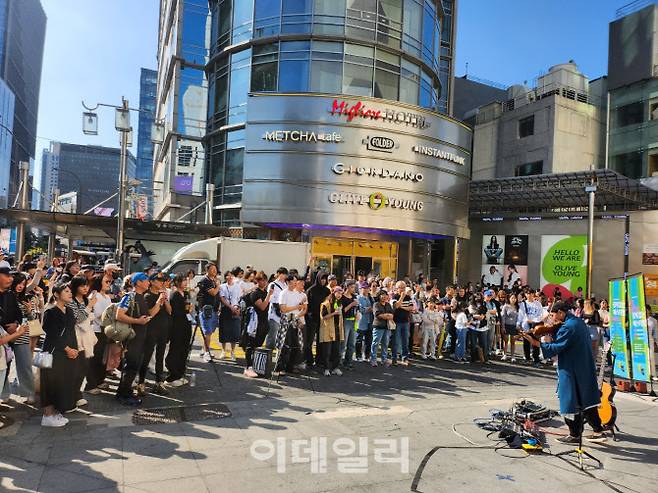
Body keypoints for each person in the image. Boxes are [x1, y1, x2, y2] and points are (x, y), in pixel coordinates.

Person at [522, 301, 607, 443]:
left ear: (561, 312)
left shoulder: (568, 327)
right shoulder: (578, 322)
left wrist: (536, 343)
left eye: (554, 315)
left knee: (568, 399)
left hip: (571, 368)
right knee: (585, 400)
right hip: (583, 366)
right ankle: (598, 431)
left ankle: (574, 434)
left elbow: (556, 347)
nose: (553, 319)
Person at [40, 284, 79, 427]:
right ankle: (47, 415)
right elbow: (52, 334)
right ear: (56, 294)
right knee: (50, 384)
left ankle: (56, 412)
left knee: (62, 383)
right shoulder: (51, 311)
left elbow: (71, 332)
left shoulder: (69, 310)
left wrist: (75, 349)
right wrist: (67, 348)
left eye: (70, 291)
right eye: (66, 291)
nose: (70, 293)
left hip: (67, 353)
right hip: (53, 353)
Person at [115, 272, 152, 406]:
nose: (148, 282)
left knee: (135, 365)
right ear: (138, 282)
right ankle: (122, 394)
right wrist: (137, 321)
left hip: (141, 336)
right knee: (130, 366)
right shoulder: (130, 296)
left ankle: (127, 391)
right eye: (146, 280)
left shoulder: (141, 297)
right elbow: (119, 315)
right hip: (131, 337)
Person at [0, 267, 34, 404]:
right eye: (7, 276)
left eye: (23, 284)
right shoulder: (9, 294)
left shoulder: (13, 296)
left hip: (19, 335)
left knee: (24, 365)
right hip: (4, 337)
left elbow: (19, 316)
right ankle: (4, 393)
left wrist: (16, 324)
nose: (10, 279)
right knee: (4, 367)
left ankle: (28, 392)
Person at [138, 272, 172, 396]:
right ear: (151, 282)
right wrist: (159, 301)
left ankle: (159, 382)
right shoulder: (147, 296)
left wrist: (165, 299)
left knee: (160, 356)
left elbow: (169, 311)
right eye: (159, 280)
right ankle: (140, 383)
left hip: (163, 328)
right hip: (151, 329)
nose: (162, 282)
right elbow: (151, 314)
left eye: (163, 280)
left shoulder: (162, 294)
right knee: (146, 356)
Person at [68, 275, 98, 408]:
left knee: (83, 368)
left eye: (86, 285)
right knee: (76, 369)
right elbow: (78, 319)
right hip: (75, 338)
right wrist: (90, 306)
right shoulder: (71, 301)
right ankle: (72, 396)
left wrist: (89, 306)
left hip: (86, 338)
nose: (85, 288)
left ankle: (76, 394)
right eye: (82, 285)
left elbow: (90, 317)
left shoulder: (85, 300)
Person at [242, 271, 274, 378]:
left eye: (265, 280)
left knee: (258, 345)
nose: (263, 282)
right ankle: (248, 367)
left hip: (264, 322)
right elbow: (263, 307)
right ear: (257, 281)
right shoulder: (255, 293)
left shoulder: (264, 292)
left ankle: (256, 365)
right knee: (250, 345)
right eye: (261, 280)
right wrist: (269, 295)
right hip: (254, 323)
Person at [85, 274, 113, 394]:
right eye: (106, 281)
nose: (109, 284)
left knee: (103, 357)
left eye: (110, 282)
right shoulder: (94, 295)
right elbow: (95, 314)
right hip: (95, 330)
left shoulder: (107, 297)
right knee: (94, 358)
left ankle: (99, 380)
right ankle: (90, 385)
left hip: (106, 330)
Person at [165, 274, 193, 386]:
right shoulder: (174, 294)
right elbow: (175, 312)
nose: (186, 283)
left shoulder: (186, 293)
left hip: (186, 323)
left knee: (184, 349)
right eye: (183, 281)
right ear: (177, 282)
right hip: (177, 325)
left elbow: (189, 307)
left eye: (186, 281)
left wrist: (190, 308)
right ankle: (172, 375)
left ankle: (180, 374)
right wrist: (185, 310)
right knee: (175, 349)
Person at [278, 275, 307, 373]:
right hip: (286, 321)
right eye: (294, 281)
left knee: (296, 345)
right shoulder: (283, 293)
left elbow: (299, 309)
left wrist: (298, 316)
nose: (296, 283)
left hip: (295, 320)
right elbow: (283, 309)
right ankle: (280, 367)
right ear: (289, 282)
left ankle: (290, 366)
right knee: (285, 345)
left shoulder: (296, 293)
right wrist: (296, 307)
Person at [304, 271, 329, 367]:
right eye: (322, 278)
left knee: (321, 341)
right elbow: (307, 305)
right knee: (309, 341)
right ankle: (309, 360)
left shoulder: (327, 291)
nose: (323, 281)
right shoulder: (311, 290)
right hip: (311, 318)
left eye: (325, 279)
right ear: (318, 278)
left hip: (323, 319)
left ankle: (319, 360)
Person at [197, 263, 220, 363]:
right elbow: (214, 292)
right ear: (207, 270)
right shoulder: (205, 281)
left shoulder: (213, 280)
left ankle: (204, 350)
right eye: (212, 269)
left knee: (210, 331)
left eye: (215, 269)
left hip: (213, 309)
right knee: (208, 332)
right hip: (206, 310)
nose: (215, 271)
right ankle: (207, 353)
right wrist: (218, 286)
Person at [218, 268, 243, 361]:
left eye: (231, 275)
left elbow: (239, 298)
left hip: (235, 310)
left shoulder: (237, 286)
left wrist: (236, 307)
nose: (230, 277)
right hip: (225, 310)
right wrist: (231, 307)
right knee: (224, 331)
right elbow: (222, 299)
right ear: (225, 277)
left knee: (234, 332)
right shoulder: (222, 286)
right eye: (228, 275)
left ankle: (232, 352)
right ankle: (223, 351)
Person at [319, 286, 344, 376]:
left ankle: (335, 368)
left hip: (337, 329)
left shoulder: (339, 303)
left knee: (337, 351)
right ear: (333, 292)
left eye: (341, 293)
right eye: (338, 293)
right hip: (328, 329)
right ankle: (326, 369)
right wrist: (334, 313)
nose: (340, 295)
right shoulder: (326, 304)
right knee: (327, 351)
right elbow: (323, 317)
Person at [517, 290, 546, 367]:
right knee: (526, 342)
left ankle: (536, 360)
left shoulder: (538, 304)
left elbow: (540, 314)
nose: (529, 295)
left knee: (535, 342)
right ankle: (527, 358)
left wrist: (533, 321)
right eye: (527, 293)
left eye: (531, 293)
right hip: (525, 325)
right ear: (525, 295)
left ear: (533, 294)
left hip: (535, 326)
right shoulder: (523, 304)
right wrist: (518, 324)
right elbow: (521, 314)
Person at [265, 267, 289, 350]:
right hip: (274, 313)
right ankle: (268, 354)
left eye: (285, 274)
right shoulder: (272, 284)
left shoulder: (286, 285)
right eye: (283, 274)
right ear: (278, 274)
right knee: (272, 335)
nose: (284, 276)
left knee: (281, 336)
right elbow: (270, 298)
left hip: (284, 313)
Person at [391, 281, 414, 366]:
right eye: (400, 287)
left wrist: (402, 306)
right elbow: (396, 306)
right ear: (396, 288)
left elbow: (411, 308)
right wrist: (401, 298)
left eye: (404, 287)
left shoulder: (408, 297)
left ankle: (405, 358)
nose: (402, 289)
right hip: (396, 321)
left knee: (405, 340)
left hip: (405, 322)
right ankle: (394, 359)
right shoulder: (394, 296)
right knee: (395, 341)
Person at [371, 290, 394, 367]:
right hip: (378, 326)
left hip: (387, 327)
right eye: (382, 295)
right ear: (379, 296)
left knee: (385, 344)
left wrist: (385, 315)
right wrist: (386, 315)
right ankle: (373, 359)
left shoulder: (388, 305)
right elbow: (377, 315)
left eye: (385, 295)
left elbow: (392, 315)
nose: (384, 297)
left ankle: (384, 359)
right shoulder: (376, 304)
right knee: (375, 343)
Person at [340, 280, 359, 369]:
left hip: (353, 321)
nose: (353, 289)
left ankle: (348, 362)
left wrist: (358, 313)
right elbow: (342, 311)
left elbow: (357, 308)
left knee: (352, 343)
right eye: (352, 287)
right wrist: (351, 304)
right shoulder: (342, 297)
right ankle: (339, 361)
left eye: (354, 287)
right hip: (346, 320)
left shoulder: (354, 296)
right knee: (343, 343)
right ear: (347, 287)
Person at [356, 282, 373, 362]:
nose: (366, 289)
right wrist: (369, 309)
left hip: (370, 321)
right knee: (359, 340)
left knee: (368, 340)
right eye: (364, 288)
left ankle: (367, 356)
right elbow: (361, 309)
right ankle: (358, 355)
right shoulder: (358, 298)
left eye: (367, 288)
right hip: (361, 321)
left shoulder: (371, 298)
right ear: (360, 289)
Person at [500, 293, 519, 362]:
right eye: (512, 298)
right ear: (509, 298)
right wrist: (503, 327)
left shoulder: (517, 307)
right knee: (506, 340)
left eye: (515, 298)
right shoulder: (506, 306)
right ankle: (505, 354)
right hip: (506, 325)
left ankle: (512, 356)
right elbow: (503, 317)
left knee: (513, 341)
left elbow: (518, 317)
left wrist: (518, 325)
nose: (513, 300)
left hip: (514, 326)